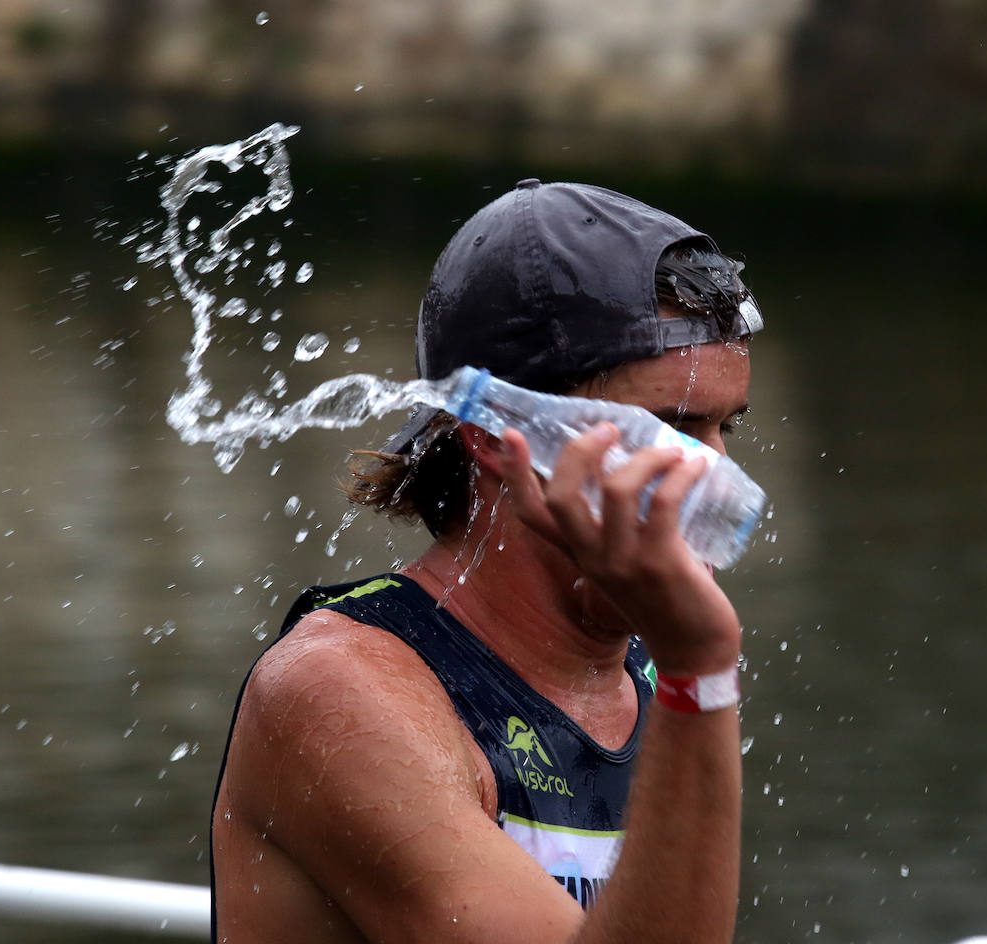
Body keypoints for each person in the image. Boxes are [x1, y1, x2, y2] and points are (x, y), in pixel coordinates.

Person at [210, 178, 763, 943]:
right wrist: (699, 665)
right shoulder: (336, 692)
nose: (715, 480)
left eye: (725, 427)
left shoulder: (650, 669)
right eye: (669, 430)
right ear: (505, 437)